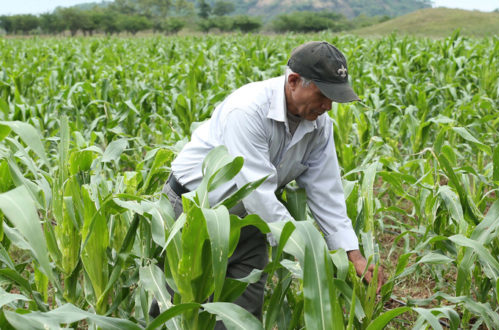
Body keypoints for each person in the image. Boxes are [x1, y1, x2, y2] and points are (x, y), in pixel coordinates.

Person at [153, 41, 384, 324]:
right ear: (294, 81)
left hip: (250, 221)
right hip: (193, 214)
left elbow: (327, 193)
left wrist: (352, 253)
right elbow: (257, 192)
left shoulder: (319, 125)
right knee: (177, 311)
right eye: (324, 95)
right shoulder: (247, 110)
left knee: (243, 315)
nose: (329, 107)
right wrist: (306, 249)